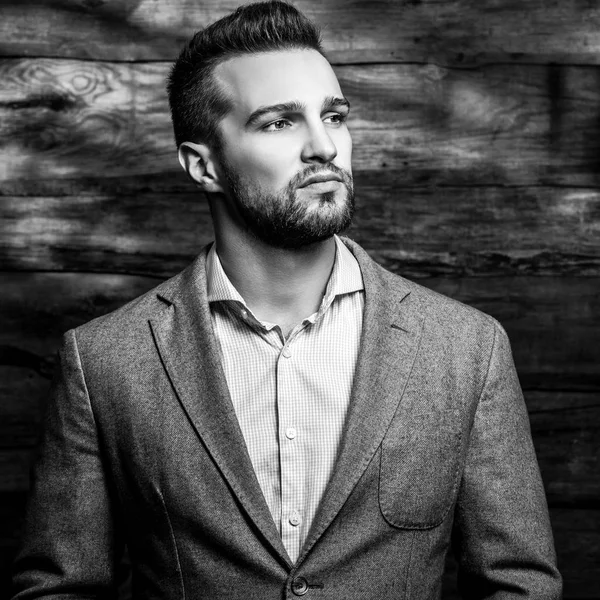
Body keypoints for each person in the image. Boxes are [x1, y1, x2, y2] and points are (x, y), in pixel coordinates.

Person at [12, 1, 562, 598]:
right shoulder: (104, 361)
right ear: (203, 167)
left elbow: (518, 583)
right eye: (279, 122)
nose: (323, 146)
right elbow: (59, 589)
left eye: (334, 115)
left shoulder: (466, 348)